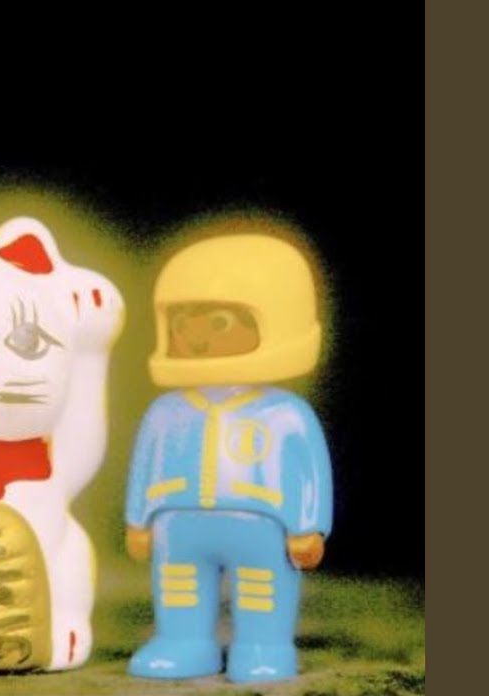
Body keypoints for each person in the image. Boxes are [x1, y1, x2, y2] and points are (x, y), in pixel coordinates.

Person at [125, 234, 333, 683]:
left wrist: (308, 525)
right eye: (183, 320)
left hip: (262, 523)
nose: (195, 335)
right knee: (179, 587)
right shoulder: (167, 411)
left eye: (219, 321)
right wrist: (138, 518)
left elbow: (310, 472)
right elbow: (146, 464)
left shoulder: (286, 415)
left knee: (263, 589)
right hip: (177, 523)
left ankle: (264, 646)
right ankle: (182, 641)